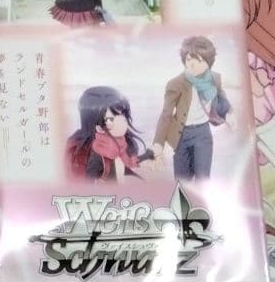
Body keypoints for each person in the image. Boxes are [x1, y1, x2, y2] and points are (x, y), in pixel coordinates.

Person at [153, 36, 233, 180]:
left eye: (198, 60)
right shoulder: (176, 83)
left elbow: (222, 99)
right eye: (189, 59)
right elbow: (166, 114)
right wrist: (158, 144)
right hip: (181, 135)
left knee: (203, 178)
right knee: (182, 180)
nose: (192, 64)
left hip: (203, 133)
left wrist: (229, 114)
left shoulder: (215, 79)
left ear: (208, 62)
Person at [66, 86, 155, 182]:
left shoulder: (122, 144)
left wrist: (147, 156)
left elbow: (129, 162)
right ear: (98, 126)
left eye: (122, 115)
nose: (121, 121)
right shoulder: (87, 154)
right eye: (110, 119)